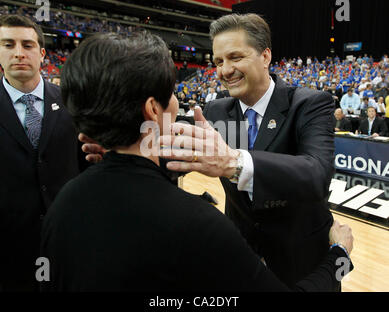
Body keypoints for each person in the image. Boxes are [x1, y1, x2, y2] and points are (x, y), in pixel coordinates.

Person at [42, 32, 354, 292]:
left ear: (265, 56)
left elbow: (316, 173)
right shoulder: (199, 219)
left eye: (235, 57)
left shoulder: (64, 202)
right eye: (218, 61)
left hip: (290, 258)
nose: (224, 70)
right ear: (153, 109)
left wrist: (116, 146)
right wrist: (339, 256)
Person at [0, 15, 87, 291]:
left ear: (42, 53)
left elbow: (86, 164)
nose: (18, 53)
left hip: (66, 237)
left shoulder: (72, 102)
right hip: (7, 246)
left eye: (27, 45)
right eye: (8, 44)